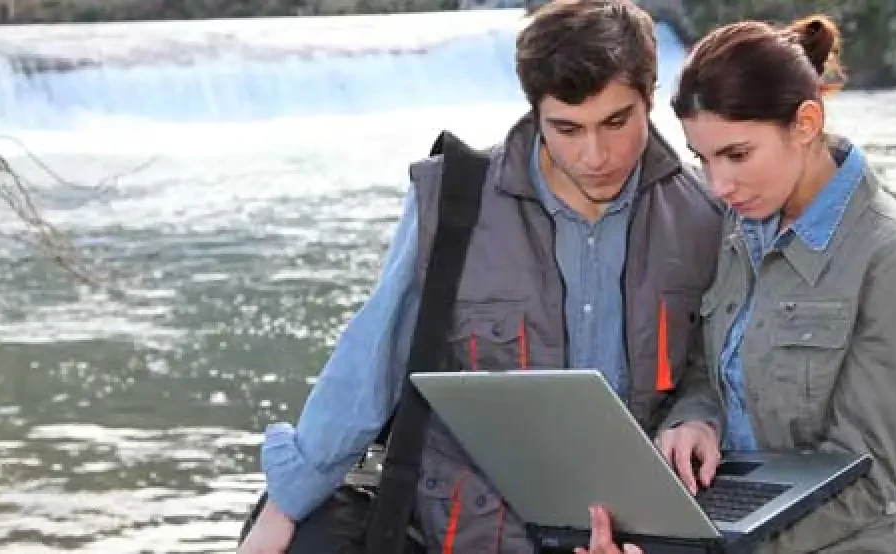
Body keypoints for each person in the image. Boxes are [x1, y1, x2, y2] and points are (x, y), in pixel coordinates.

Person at [238, 1, 729, 553]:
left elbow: (712, 366)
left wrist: (697, 416)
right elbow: (373, 357)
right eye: (567, 128)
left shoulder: (707, 214)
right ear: (534, 113)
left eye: (616, 122)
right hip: (467, 531)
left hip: (626, 533)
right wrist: (286, 506)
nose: (595, 155)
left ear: (649, 96)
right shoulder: (452, 200)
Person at [579, 13, 896, 554]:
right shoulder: (740, 222)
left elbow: (865, 483)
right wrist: (694, 420)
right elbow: (711, 366)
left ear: (804, 123)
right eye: (702, 159)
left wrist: (694, 547)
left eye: (737, 154)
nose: (719, 185)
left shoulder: (895, 255)